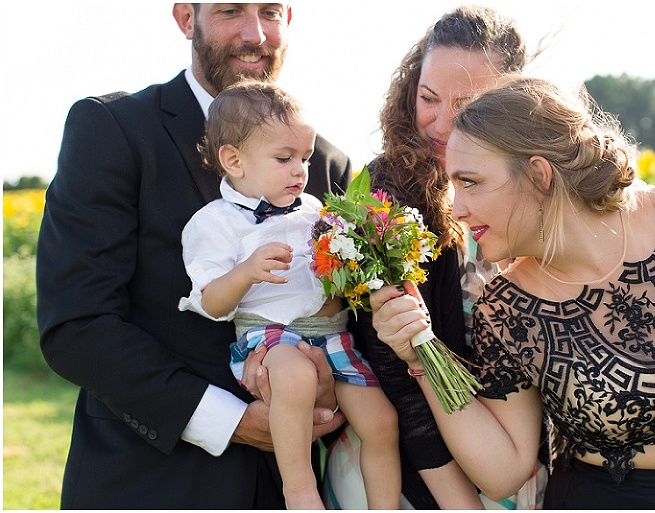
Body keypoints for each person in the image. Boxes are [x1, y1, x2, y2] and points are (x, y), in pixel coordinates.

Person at [370, 75, 655, 509]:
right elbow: (503, 472)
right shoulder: (505, 309)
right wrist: (420, 355)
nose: (456, 208)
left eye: (470, 182)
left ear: (539, 174)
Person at [36, 4, 350, 509]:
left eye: (270, 11)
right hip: (147, 483)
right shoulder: (112, 128)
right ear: (187, 18)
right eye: (230, 10)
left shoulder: (327, 163)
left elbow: (340, 312)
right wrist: (229, 421)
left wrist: (329, 388)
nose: (254, 33)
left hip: (281, 491)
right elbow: (78, 324)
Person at [346, 5, 542, 509]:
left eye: (469, 104)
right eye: (428, 98)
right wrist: (460, 502)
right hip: (425, 478)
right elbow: (394, 369)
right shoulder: (385, 193)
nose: (441, 124)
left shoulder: (541, 185)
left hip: (524, 462)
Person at [178, 80, 401, 510]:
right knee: (296, 379)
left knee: (381, 421)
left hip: (334, 336)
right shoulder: (215, 223)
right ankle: (299, 492)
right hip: (271, 338)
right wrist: (245, 273)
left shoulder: (315, 209)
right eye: (284, 158)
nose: (300, 169)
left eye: (305, 157)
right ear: (234, 160)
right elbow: (210, 303)